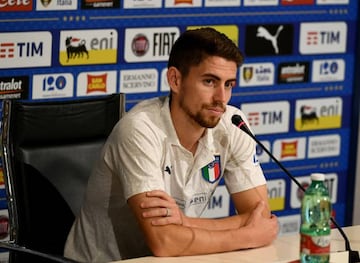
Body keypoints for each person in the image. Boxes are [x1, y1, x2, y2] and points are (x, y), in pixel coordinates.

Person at [64, 27, 279, 262]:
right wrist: (247, 236)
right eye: (209, 81)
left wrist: (185, 222)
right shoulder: (140, 129)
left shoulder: (233, 125)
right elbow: (164, 241)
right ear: (175, 80)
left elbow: (260, 215)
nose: (222, 99)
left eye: (228, 85)